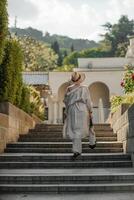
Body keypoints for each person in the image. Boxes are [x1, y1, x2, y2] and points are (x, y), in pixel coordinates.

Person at [63, 72, 95, 160]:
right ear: (80, 79)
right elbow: (88, 100)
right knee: (88, 125)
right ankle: (92, 142)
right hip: (83, 108)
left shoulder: (68, 89)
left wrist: (68, 109)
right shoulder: (85, 88)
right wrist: (90, 111)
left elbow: (65, 101)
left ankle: (76, 150)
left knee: (75, 130)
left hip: (72, 110)